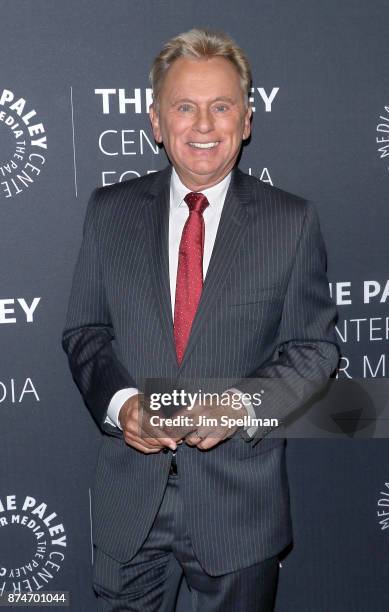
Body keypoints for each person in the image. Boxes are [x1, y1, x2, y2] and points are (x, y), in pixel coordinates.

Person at [62, 28, 339, 612]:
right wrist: (122, 406)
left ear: (247, 120)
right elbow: (85, 333)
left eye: (221, 107)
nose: (204, 125)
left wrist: (239, 405)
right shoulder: (108, 213)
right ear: (156, 122)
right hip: (128, 504)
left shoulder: (291, 222)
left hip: (240, 507)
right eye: (184, 107)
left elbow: (314, 349)